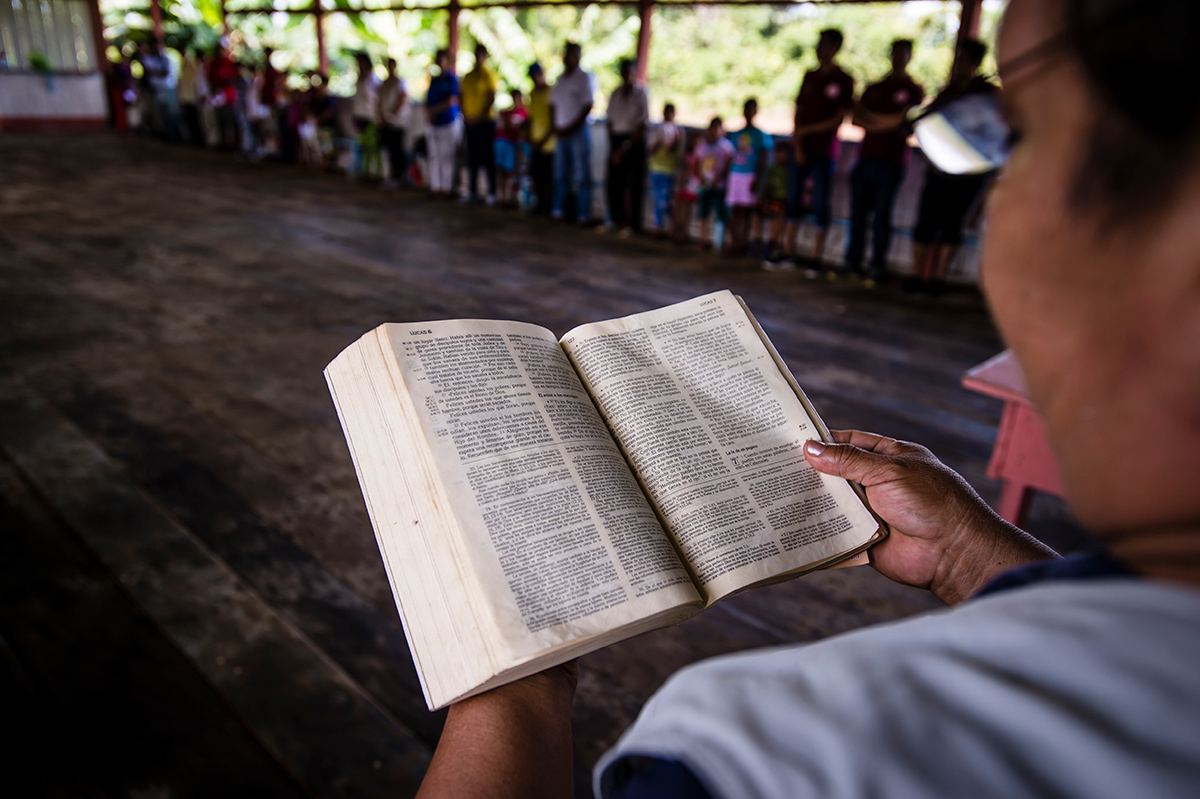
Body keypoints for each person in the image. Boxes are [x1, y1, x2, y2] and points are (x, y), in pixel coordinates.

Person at [409, 1, 1200, 797]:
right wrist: (969, 552)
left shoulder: (766, 756)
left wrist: (514, 673)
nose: (993, 211)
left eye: (1012, 133)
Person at [908, 38, 995, 297]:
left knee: (951, 227)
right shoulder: (948, 94)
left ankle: (937, 278)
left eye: (964, 60)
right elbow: (923, 126)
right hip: (938, 172)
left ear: (976, 62)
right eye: (957, 60)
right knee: (924, 223)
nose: (959, 65)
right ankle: (916, 275)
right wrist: (934, 159)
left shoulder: (986, 95)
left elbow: (993, 137)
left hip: (967, 175)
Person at [841, 39, 925, 287]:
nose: (899, 57)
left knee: (881, 215)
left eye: (904, 53)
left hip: (892, 162)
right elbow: (857, 118)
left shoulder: (913, 90)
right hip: (866, 158)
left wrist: (874, 120)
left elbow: (908, 122)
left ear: (910, 57)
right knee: (858, 214)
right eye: (896, 52)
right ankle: (852, 262)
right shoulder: (875, 87)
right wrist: (890, 121)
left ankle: (876, 265)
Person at [785, 28, 854, 271]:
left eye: (823, 44)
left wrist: (806, 131)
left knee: (821, 201)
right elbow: (799, 111)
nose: (818, 48)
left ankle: (816, 258)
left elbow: (839, 119)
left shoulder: (844, 80)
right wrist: (799, 142)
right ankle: (788, 252)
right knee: (792, 198)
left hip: (825, 152)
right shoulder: (810, 76)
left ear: (835, 47)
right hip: (802, 148)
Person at [549, 42, 596, 224]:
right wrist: (556, 127)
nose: (566, 58)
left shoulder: (584, 78)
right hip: (561, 133)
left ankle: (583, 214)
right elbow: (552, 105)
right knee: (560, 174)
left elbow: (587, 106)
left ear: (577, 57)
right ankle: (559, 210)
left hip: (577, 132)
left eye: (569, 55)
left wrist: (569, 127)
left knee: (582, 175)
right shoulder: (561, 79)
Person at [603, 58, 650, 236]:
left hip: (633, 141)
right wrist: (614, 148)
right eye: (624, 72)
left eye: (630, 72)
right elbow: (609, 122)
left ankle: (633, 224)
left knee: (633, 184)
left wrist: (625, 147)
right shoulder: (615, 93)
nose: (627, 76)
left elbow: (643, 123)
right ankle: (615, 219)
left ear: (635, 73)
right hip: (616, 140)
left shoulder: (641, 94)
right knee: (613, 182)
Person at [727, 98, 773, 256]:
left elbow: (764, 159)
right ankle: (735, 242)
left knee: (747, 212)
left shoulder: (760, 136)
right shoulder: (735, 134)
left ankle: (743, 244)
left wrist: (758, 180)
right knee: (735, 211)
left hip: (749, 176)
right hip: (736, 175)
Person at [461, 43, 499, 205]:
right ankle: (472, 191)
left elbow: (492, 97)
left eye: (481, 55)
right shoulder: (468, 76)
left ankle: (492, 192)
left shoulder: (489, 75)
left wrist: (479, 117)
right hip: (469, 122)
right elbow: (461, 97)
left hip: (485, 123)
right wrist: (466, 116)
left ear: (485, 57)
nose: (478, 57)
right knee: (472, 158)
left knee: (487, 157)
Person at [693, 117, 735, 250]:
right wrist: (700, 177)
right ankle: (702, 239)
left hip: (719, 186)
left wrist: (719, 178)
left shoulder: (726, 146)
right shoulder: (702, 145)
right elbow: (697, 162)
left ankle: (726, 240)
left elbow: (729, 164)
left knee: (722, 213)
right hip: (705, 184)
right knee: (702, 212)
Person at [425, 48, 461, 198]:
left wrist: (434, 111)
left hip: (448, 122)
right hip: (434, 123)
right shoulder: (434, 80)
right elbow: (427, 100)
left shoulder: (452, 80)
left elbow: (451, 100)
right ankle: (435, 186)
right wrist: (429, 113)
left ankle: (446, 187)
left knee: (447, 157)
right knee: (434, 156)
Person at [647, 102, 682, 235]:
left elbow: (675, 152)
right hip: (657, 168)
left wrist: (673, 142)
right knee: (657, 199)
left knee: (667, 200)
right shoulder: (657, 130)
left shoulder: (677, 132)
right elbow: (651, 149)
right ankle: (659, 227)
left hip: (669, 170)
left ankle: (672, 228)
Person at [526, 63, 556, 215]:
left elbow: (553, 120)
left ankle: (547, 207)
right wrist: (532, 139)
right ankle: (538, 206)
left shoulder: (551, 92)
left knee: (547, 178)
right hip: (535, 143)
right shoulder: (532, 93)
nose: (535, 79)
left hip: (548, 144)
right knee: (536, 177)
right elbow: (531, 118)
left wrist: (543, 140)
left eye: (536, 75)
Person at [759, 143, 791, 268]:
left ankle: (776, 245)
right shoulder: (772, 169)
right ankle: (773, 243)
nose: (780, 156)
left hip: (786, 201)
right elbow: (768, 186)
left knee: (781, 219)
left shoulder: (790, 170)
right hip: (775, 201)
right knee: (775, 217)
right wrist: (766, 201)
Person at [378, 57, 409, 188]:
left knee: (397, 150)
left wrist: (391, 114)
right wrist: (382, 116)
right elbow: (379, 100)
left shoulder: (400, 82)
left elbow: (402, 99)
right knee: (388, 150)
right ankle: (390, 175)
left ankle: (399, 177)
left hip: (398, 122)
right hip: (386, 121)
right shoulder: (384, 83)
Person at [495, 89, 527, 207]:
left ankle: (511, 198)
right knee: (502, 170)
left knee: (512, 171)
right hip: (503, 142)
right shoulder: (507, 112)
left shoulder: (522, 112)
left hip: (515, 144)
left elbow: (514, 127)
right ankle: (503, 197)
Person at [671, 132, 702, 243]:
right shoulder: (687, 156)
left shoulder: (702, 157)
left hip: (694, 184)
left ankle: (683, 231)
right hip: (685, 184)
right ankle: (675, 230)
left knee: (686, 207)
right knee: (677, 204)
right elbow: (683, 171)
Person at [177, 45, 208, 147]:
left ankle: (199, 141)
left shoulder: (194, 67)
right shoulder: (186, 66)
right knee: (191, 121)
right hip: (187, 98)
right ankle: (195, 140)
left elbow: (198, 84)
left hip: (192, 98)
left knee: (196, 121)